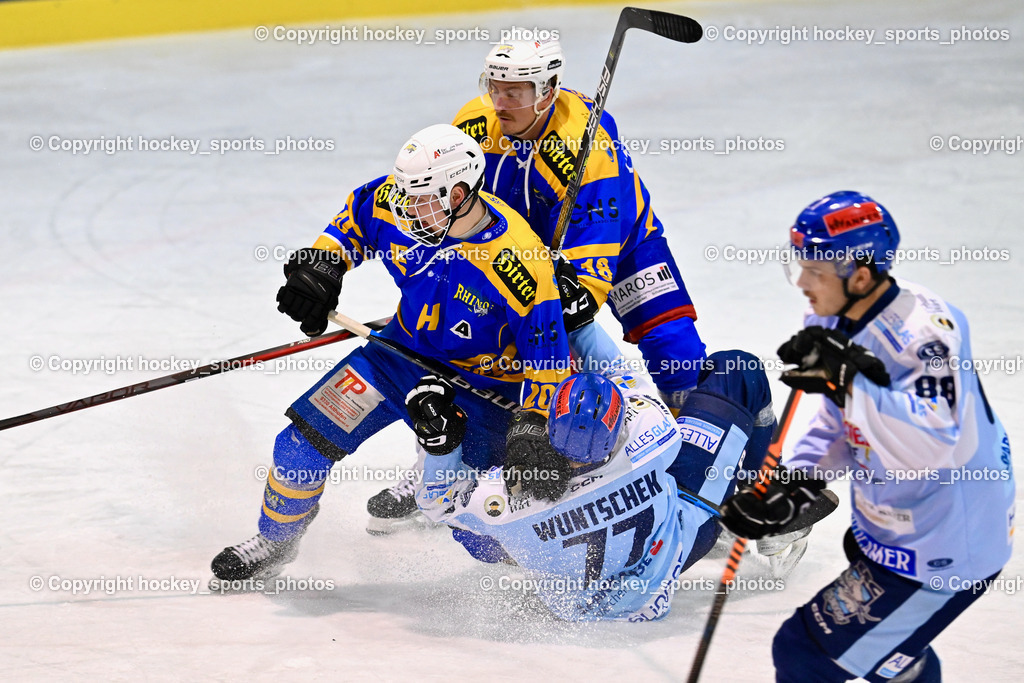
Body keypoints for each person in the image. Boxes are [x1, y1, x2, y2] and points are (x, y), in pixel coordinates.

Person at [368, 37, 709, 529]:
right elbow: (444, 197)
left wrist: (577, 290)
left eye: (515, 92)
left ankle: (695, 474)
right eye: (494, 88)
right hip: (528, 253)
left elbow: (599, 230)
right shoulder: (475, 122)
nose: (500, 103)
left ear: (547, 90)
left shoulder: (588, 142)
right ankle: (439, 469)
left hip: (624, 247)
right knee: (459, 351)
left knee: (673, 347)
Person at [210, 124, 574, 580]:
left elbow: (549, 359)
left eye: (419, 199)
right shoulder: (399, 201)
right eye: (403, 195)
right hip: (396, 358)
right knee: (298, 447)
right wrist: (324, 266)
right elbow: (357, 220)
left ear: (458, 193)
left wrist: (532, 426)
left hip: (480, 392)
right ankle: (276, 541)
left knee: (482, 528)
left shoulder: (516, 261)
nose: (404, 209)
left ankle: (546, 568)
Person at [719, 191, 1015, 682]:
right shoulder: (832, 319)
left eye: (815, 270)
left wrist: (849, 382)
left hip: (945, 546)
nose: (802, 282)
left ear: (859, 275)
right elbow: (841, 422)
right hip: (893, 528)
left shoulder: (925, 335)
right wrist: (799, 481)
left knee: (806, 651)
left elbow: (935, 444)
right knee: (888, 657)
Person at [405, 348, 779, 622]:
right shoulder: (652, 429)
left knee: (472, 530)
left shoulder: (508, 504)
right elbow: (620, 376)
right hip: (678, 547)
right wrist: (581, 323)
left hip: (576, 605)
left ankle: (517, 557)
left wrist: (440, 446)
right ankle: (761, 489)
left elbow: (438, 504)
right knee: (739, 369)